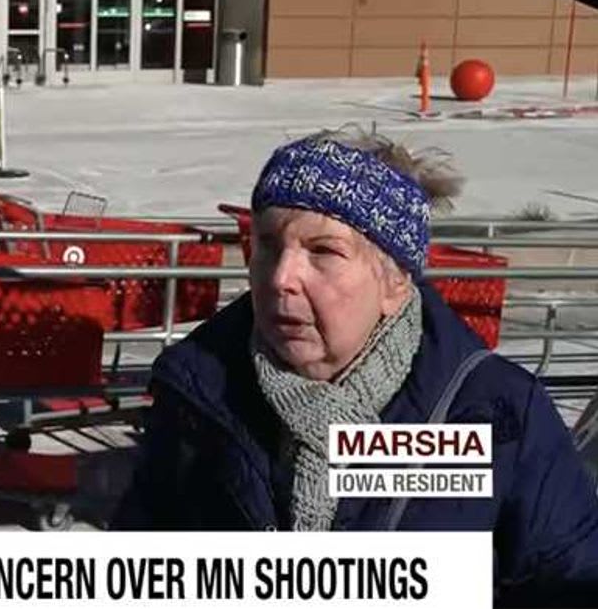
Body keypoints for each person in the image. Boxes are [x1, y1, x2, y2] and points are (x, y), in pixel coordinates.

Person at [113, 129, 598, 604]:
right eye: (267, 245)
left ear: (394, 283)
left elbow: (568, 578)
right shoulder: (199, 393)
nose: (282, 278)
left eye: (323, 251)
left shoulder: (497, 417)